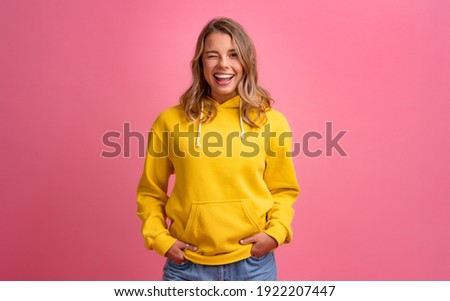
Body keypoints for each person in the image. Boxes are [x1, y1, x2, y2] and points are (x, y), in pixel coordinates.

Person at [137, 17, 300, 281]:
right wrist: (159, 238)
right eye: (212, 55)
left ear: (247, 62)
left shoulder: (271, 122)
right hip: (187, 268)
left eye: (233, 55)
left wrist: (276, 232)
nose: (223, 64)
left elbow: (283, 189)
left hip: (253, 266)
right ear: (200, 64)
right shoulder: (169, 121)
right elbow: (150, 191)